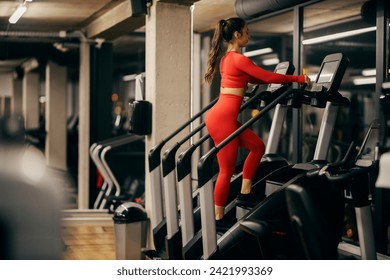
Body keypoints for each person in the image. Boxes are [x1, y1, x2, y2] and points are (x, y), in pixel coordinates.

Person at [204, 17, 310, 224]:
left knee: (257, 146)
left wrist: (276, 83)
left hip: (221, 116)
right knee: (226, 169)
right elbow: (267, 77)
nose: (249, 34)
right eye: (246, 31)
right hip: (222, 119)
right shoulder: (238, 58)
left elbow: (255, 78)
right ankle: (217, 219)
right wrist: (299, 79)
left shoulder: (228, 59)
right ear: (237, 34)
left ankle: (245, 190)